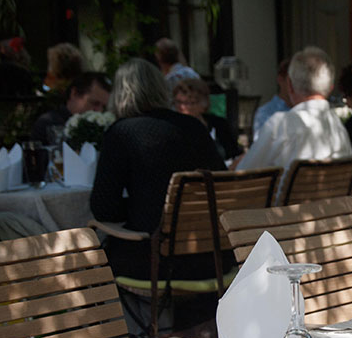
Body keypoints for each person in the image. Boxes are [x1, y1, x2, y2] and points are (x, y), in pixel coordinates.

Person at [90, 58, 225, 280]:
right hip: (212, 257)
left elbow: (103, 208)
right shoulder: (194, 127)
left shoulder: (121, 133)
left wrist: (141, 206)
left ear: (119, 93)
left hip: (155, 260)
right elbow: (220, 184)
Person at [237, 46, 350, 183]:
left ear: (289, 85)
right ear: (331, 88)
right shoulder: (339, 128)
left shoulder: (280, 125)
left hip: (288, 204)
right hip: (333, 204)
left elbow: (242, 175)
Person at [31, 71, 112, 146]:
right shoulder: (47, 124)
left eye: (103, 107)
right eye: (94, 103)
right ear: (74, 93)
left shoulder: (102, 128)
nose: (99, 111)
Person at [172, 78, 240, 161]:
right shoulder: (172, 128)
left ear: (204, 104)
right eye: (178, 102)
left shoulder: (219, 124)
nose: (182, 107)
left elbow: (234, 153)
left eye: (189, 103)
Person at [252, 58, 291, 142]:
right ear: (280, 79)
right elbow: (260, 148)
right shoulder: (266, 112)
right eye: (290, 81)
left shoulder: (304, 108)